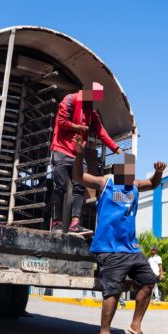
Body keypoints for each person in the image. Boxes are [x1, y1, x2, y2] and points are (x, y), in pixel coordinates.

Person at [73, 134, 166, 334]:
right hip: (109, 247)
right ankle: (103, 333)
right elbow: (79, 176)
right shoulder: (105, 183)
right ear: (117, 170)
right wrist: (79, 156)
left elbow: (152, 183)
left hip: (131, 248)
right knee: (113, 290)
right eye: (126, 169)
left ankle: (135, 327)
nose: (130, 174)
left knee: (149, 281)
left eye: (132, 169)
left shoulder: (133, 186)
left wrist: (159, 173)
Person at [49, 82, 122, 235]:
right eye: (92, 98)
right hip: (61, 149)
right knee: (60, 186)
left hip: (77, 154)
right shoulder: (70, 99)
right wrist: (78, 128)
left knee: (80, 186)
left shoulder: (92, 113)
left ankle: (75, 223)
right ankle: (56, 223)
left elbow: (101, 131)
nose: (93, 102)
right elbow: (60, 121)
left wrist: (114, 147)